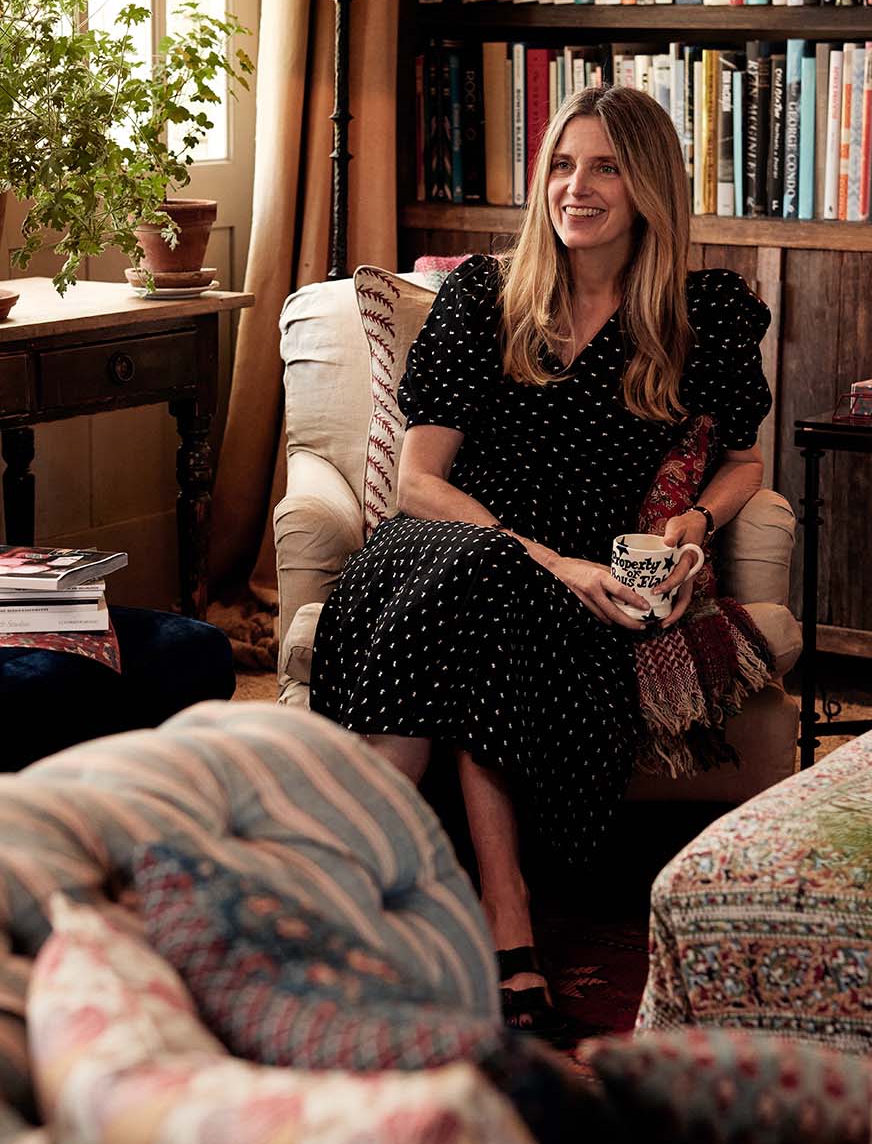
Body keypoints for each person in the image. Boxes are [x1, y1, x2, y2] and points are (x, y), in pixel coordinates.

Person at [309, 84, 772, 1041]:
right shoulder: (485, 298)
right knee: (487, 582)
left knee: (495, 607)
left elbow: (744, 462)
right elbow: (418, 487)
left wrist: (694, 519)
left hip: (574, 593)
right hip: (434, 555)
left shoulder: (701, 313)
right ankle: (502, 916)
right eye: (563, 164)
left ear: (647, 186)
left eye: (605, 166)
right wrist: (551, 562)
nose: (578, 186)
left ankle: (338, 896)